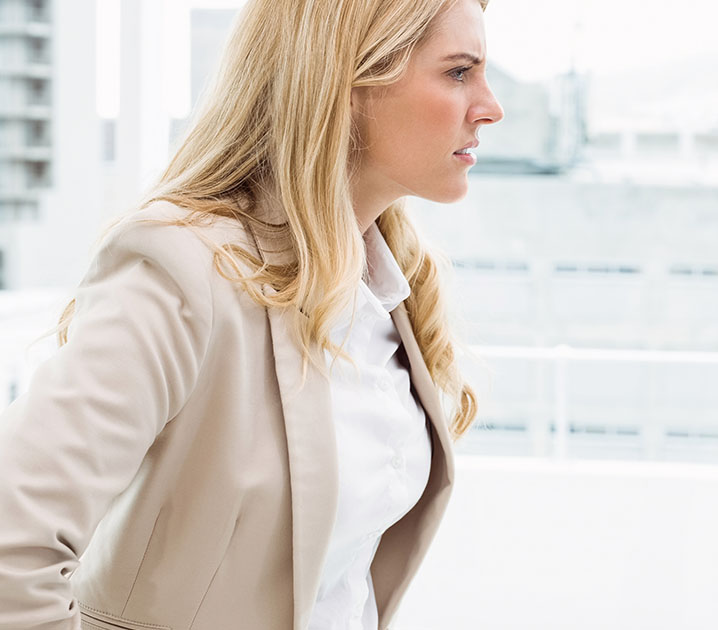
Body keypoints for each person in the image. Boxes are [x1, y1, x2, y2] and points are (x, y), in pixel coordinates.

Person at [0, 0, 502, 627]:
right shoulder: (183, 270)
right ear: (344, 81)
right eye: (458, 72)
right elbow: (12, 549)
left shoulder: (391, 285)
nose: (490, 107)